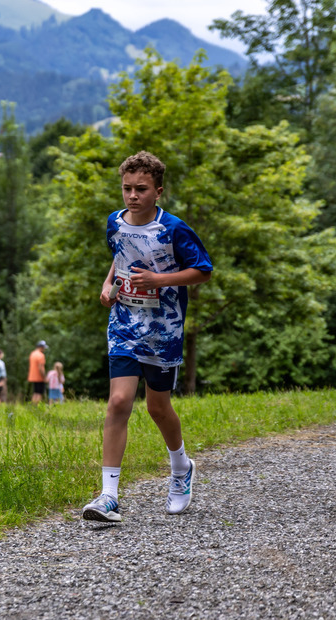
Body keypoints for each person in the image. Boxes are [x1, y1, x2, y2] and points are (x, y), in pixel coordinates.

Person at [81, 151, 213, 523]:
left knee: (157, 407)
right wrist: (108, 285)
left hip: (163, 330)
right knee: (119, 401)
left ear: (158, 191)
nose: (132, 196)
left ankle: (181, 467)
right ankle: (108, 496)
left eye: (141, 189)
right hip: (124, 322)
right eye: (127, 188)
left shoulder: (173, 229)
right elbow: (120, 256)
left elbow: (203, 270)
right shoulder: (114, 222)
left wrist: (159, 280)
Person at [28, 340, 48, 405]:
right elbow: (41, 368)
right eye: (44, 348)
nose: (44, 349)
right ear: (41, 347)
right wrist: (44, 377)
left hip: (32, 376)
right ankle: (37, 407)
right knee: (39, 393)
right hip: (39, 377)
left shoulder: (32, 354)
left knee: (35, 392)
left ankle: (33, 406)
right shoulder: (41, 355)